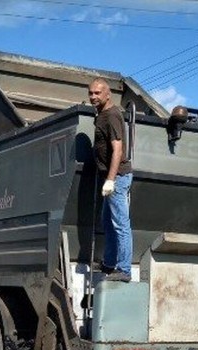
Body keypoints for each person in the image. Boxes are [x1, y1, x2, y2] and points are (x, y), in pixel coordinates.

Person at [88, 77, 133, 283]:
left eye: (97, 93)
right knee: (108, 221)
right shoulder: (101, 115)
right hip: (110, 177)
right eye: (90, 93)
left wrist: (111, 180)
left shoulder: (112, 115)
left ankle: (124, 269)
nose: (93, 97)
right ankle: (109, 262)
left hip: (118, 177)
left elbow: (118, 149)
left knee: (120, 224)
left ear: (108, 94)